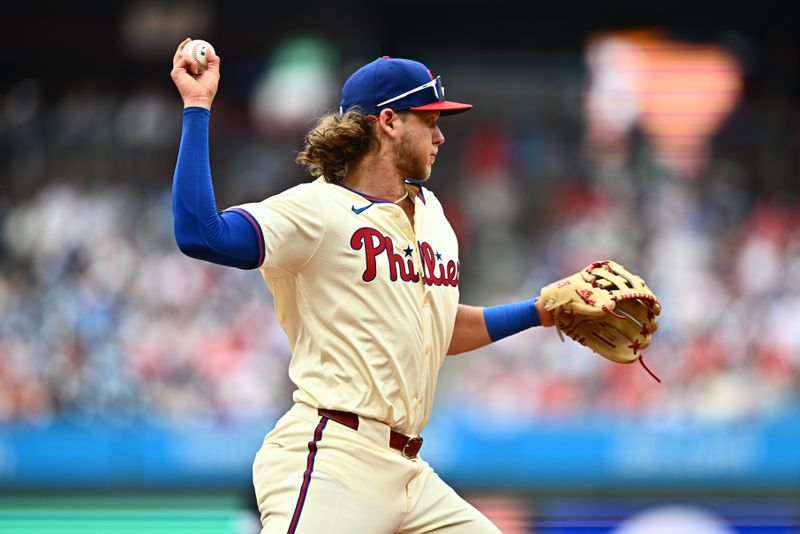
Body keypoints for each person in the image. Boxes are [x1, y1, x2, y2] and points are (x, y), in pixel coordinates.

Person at [170, 38, 555, 534]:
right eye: (430, 121)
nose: (440, 139)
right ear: (389, 122)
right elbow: (201, 233)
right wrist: (198, 107)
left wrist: (539, 312)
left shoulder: (434, 216)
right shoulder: (317, 211)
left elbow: (435, 329)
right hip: (335, 457)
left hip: (410, 471)